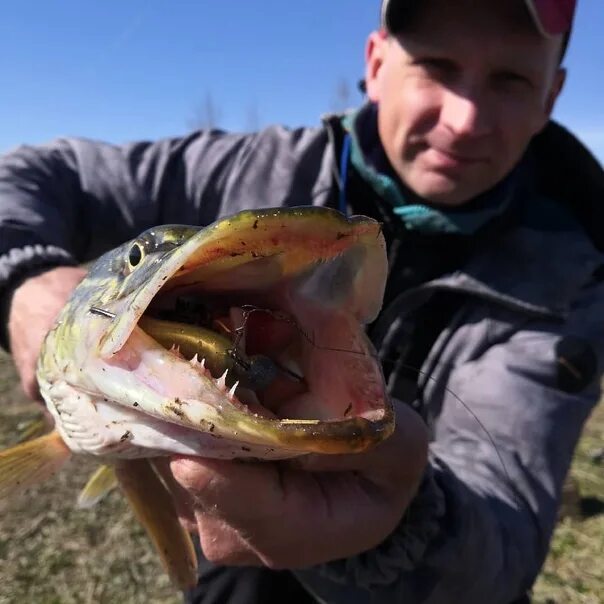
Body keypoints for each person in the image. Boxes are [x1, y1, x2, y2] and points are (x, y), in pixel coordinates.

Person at [0, 0, 602, 602]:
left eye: (511, 79)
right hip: (230, 565)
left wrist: (405, 526)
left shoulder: (576, 273)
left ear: (552, 95)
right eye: (437, 66)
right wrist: (22, 279)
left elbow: (505, 535)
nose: (464, 120)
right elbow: (33, 173)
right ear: (375, 62)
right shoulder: (243, 166)